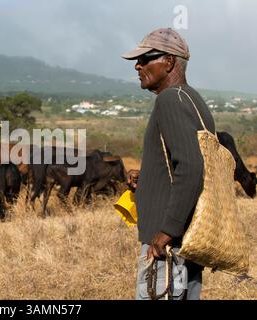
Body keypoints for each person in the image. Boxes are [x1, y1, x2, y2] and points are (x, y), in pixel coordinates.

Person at [121, 28, 216, 300]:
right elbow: (184, 162)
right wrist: (149, 176)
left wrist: (167, 231)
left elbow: (191, 168)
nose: (138, 66)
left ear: (170, 62)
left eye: (146, 59)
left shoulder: (169, 100)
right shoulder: (192, 98)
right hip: (189, 238)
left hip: (166, 246)